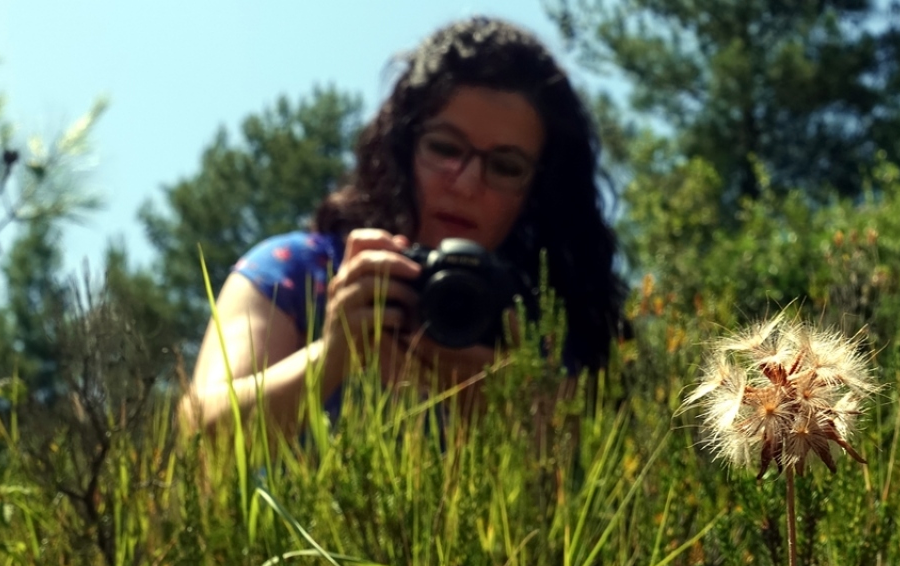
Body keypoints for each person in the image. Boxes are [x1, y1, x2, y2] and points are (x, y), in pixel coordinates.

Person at [179, 16, 627, 439]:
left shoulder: (553, 321)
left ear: (537, 188)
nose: (467, 183)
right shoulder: (296, 273)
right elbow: (198, 436)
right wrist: (331, 357)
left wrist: (509, 400)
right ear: (403, 148)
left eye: (505, 167)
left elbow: (617, 491)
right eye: (445, 147)